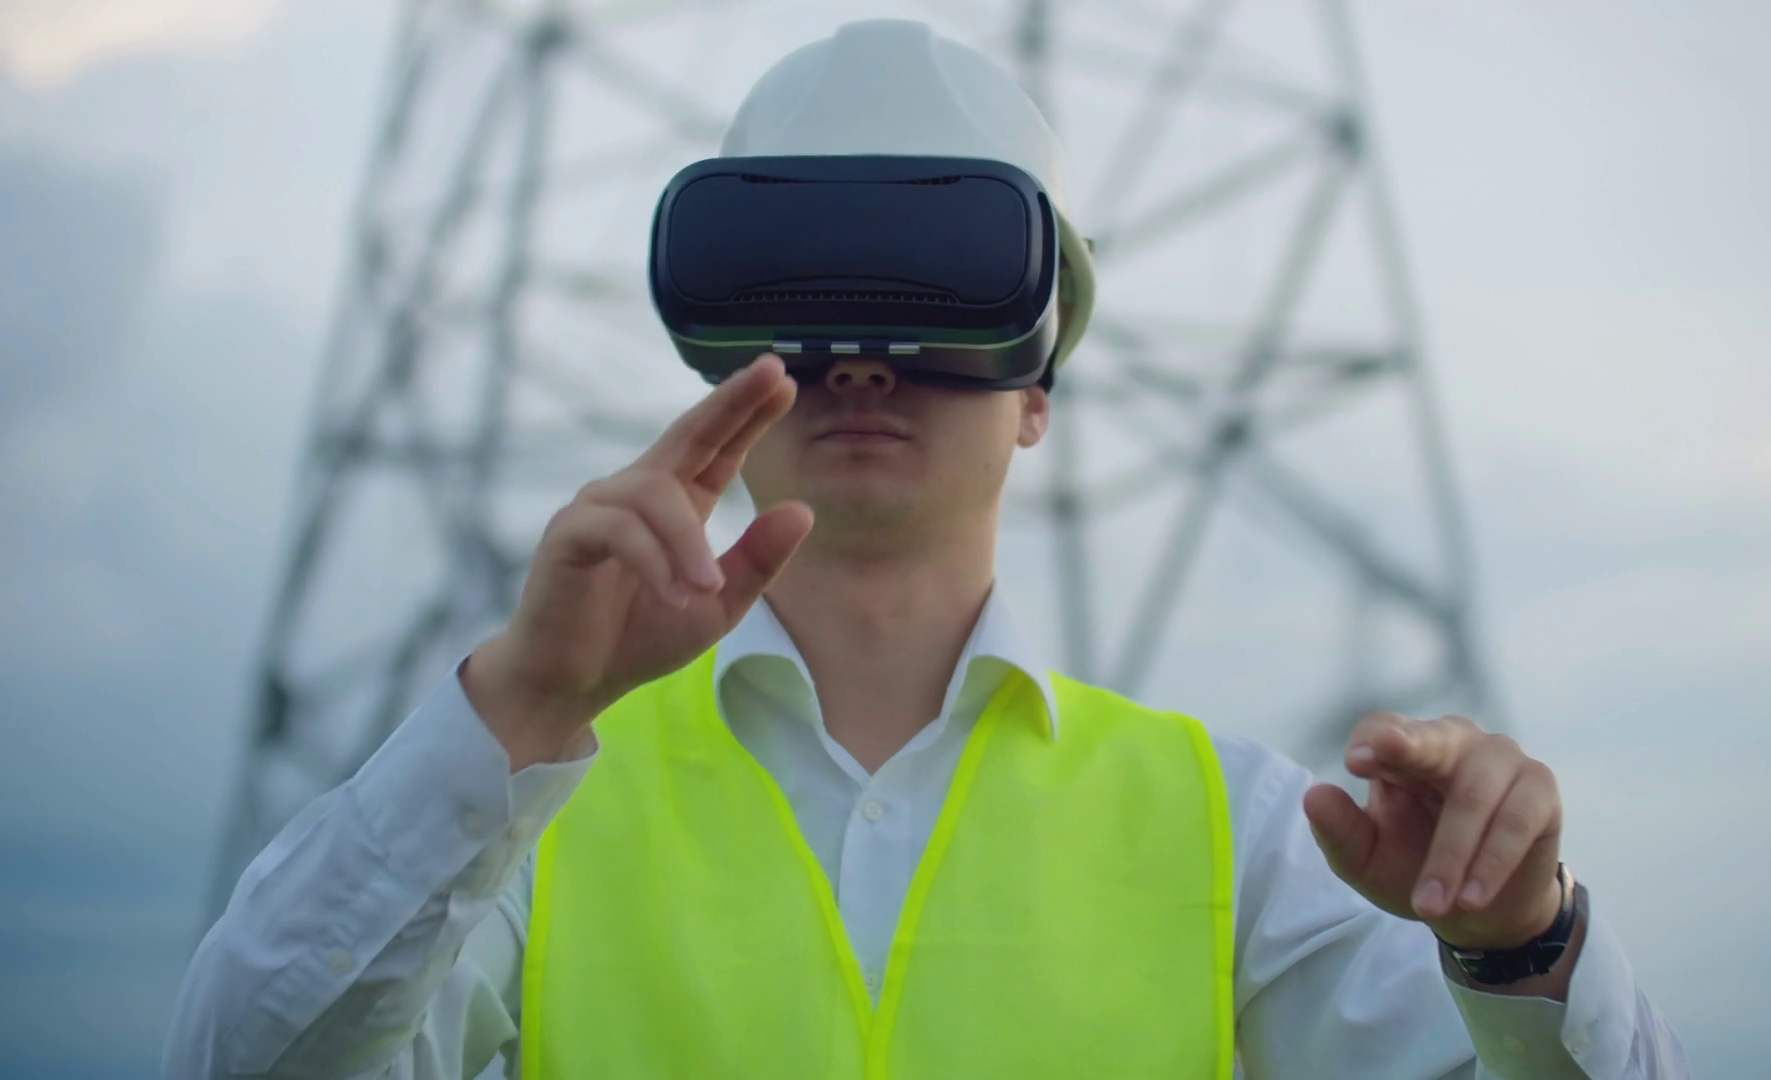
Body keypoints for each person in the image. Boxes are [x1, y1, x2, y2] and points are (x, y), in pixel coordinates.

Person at [166, 18, 1687, 1080]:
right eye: (804, 302)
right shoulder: (518, 816)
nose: (863, 359)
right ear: (720, 346)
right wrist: (511, 712)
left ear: (1040, 388)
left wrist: (1519, 950)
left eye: (942, 292)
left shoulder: (1245, 836)